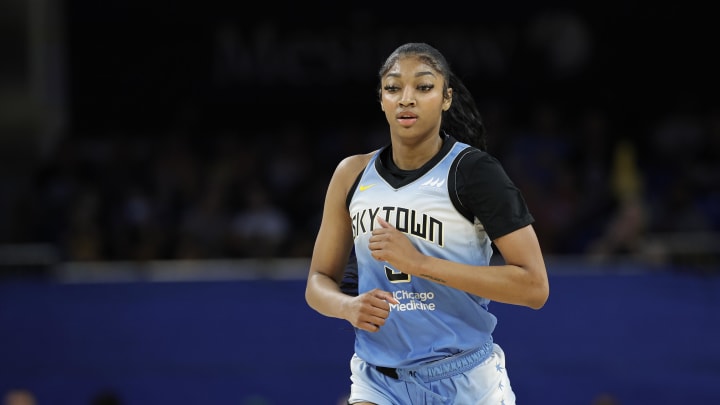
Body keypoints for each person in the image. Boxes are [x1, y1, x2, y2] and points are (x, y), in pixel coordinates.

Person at [305, 42, 549, 405]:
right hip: (379, 380)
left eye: (423, 86)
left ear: (446, 98)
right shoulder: (351, 174)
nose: (406, 99)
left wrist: (419, 264)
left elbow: (534, 287)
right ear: (381, 99)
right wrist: (346, 307)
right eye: (393, 87)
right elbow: (317, 282)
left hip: (465, 378)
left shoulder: (474, 172)